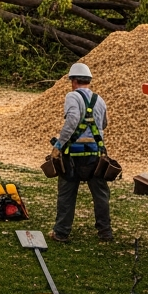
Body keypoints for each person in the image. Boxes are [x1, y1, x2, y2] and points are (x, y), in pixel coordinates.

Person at [50, 62, 112, 243]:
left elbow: (72, 120)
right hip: (95, 155)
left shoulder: (72, 96)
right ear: (88, 81)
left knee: (66, 194)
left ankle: (61, 233)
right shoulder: (99, 100)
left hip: (73, 157)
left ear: (73, 81)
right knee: (101, 195)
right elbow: (105, 124)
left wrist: (59, 146)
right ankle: (105, 233)